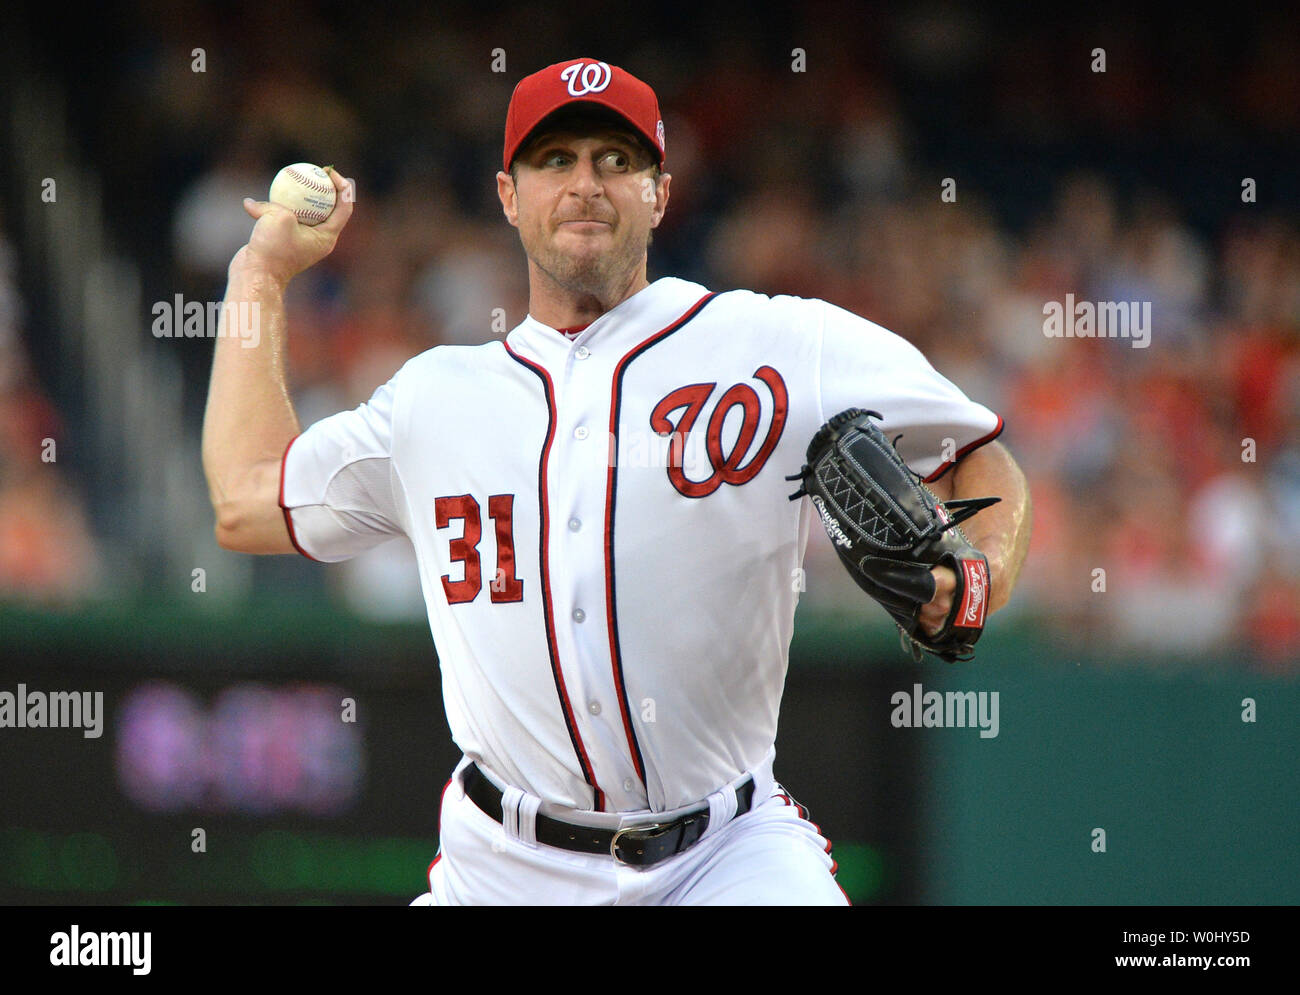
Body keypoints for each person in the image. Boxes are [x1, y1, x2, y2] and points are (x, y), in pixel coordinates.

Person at [202, 58, 1032, 905]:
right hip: (499, 870)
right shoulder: (432, 399)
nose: (586, 184)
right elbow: (244, 498)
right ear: (508, 195)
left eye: (616, 160)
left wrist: (980, 576)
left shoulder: (782, 346)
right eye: (555, 160)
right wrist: (259, 276)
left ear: (661, 193)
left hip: (726, 855)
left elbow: (980, 450)